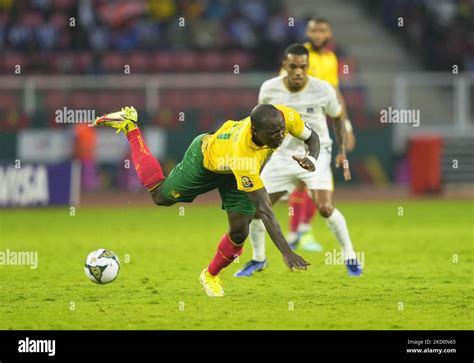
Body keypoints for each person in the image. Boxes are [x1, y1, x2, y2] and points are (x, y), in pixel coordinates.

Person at [94, 104, 319, 296]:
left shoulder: (285, 116)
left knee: (240, 230)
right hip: (204, 161)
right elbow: (265, 209)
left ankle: (210, 276)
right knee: (160, 197)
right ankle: (129, 125)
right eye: (272, 134)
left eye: (281, 131)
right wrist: (286, 251)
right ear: (256, 131)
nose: (280, 137)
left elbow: (313, 137)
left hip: (234, 172)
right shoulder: (244, 154)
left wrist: (311, 158)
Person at [235, 44, 362, 277]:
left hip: (318, 151)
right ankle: (258, 259)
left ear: (308, 67)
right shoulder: (269, 89)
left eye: (303, 67)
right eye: (293, 66)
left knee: (324, 208)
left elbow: (337, 116)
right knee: (256, 208)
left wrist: (341, 150)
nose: (298, 72)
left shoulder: (323, 90)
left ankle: (350, 255)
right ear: (284, 65)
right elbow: (261, 124)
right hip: (283, 155)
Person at [288, 17, 356, 251]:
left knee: (307, 181)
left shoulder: (330, 59)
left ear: (328, 33)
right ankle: (299, 232)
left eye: (322, 30)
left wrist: (346, 126)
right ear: (307, 32)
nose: (318, 34)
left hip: (320, 126)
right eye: (314, 30)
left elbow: (335, 94)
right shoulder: (298, 56)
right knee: (303, 181)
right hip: (297, 124)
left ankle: (299, 233)